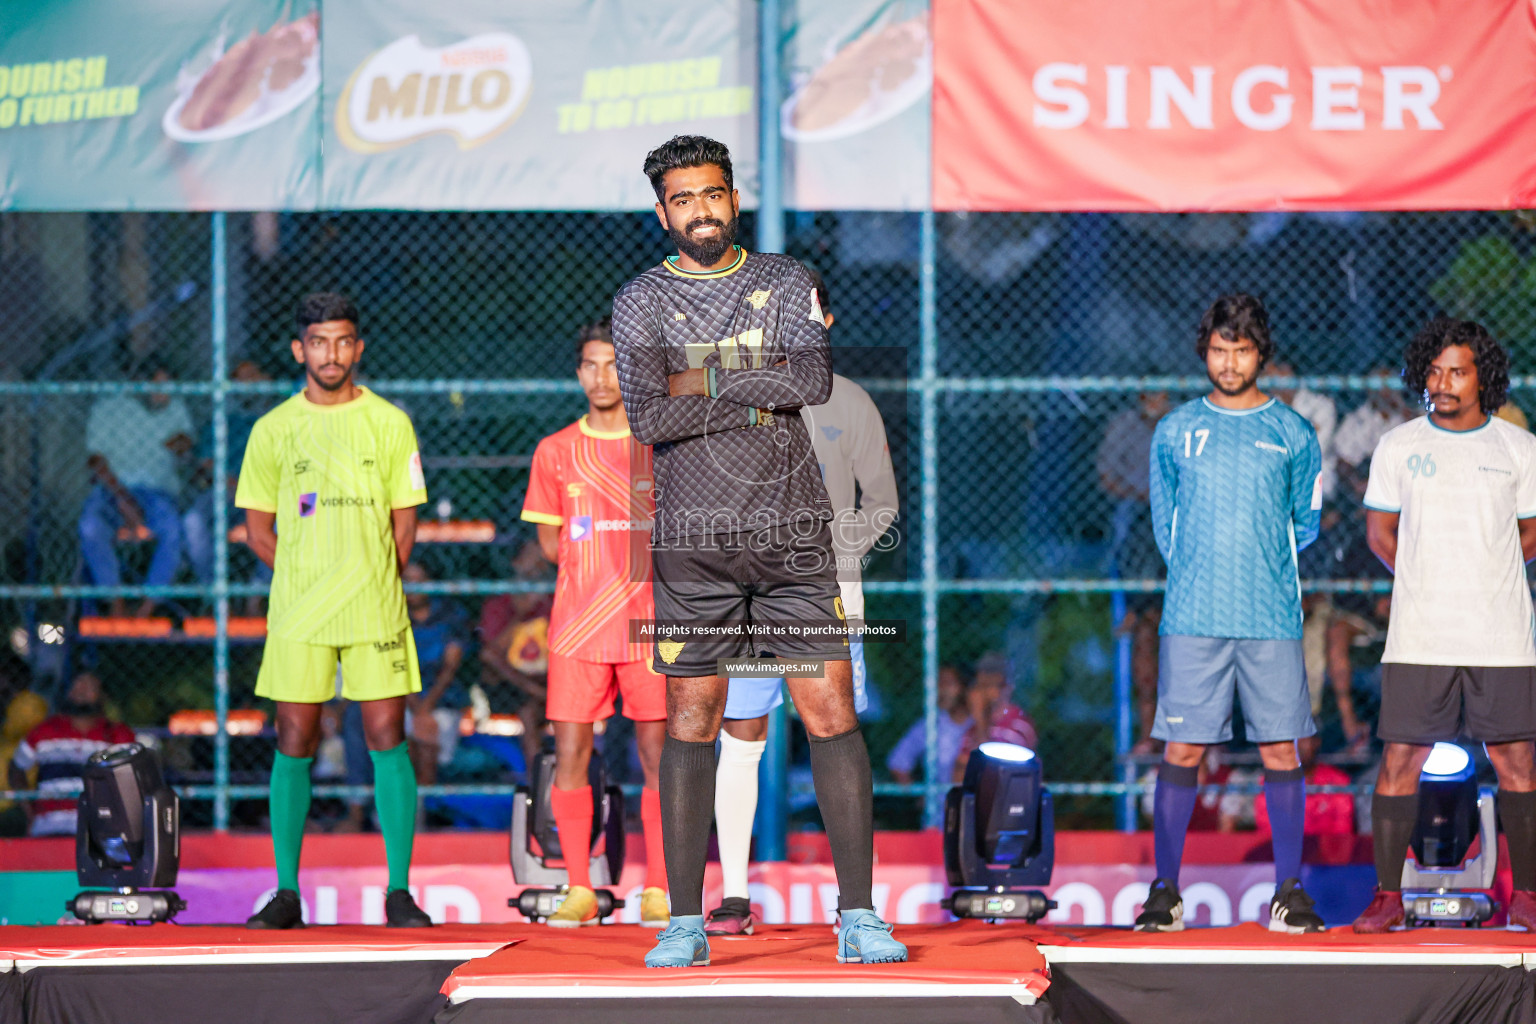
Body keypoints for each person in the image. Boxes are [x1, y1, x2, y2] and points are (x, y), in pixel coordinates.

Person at [612, 135, 904, 967]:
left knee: (830, 713)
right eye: (683, 199)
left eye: (712, 195)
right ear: (661, 210)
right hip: (694, 546)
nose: (700, 211)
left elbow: (806, 383)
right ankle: (686, 923)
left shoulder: (784, 280)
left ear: (733, 197)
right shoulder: (637, 303)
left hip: (794, 536)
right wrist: (749, 389)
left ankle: (859, 916)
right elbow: (646, 418)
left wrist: (694, 381)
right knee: (693, 718)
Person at [705, 267, 898, 937]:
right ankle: (733, 897)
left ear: (826, 323)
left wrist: (826, 550)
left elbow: (883, 505)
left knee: (833, 731)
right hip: (749, 602)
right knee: (742, 735)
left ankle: (857, 908)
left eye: (804, 315)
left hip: (827, 601)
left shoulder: (850, 403)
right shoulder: (732, 402)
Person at [238, 292, 432, 929]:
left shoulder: (389, 422)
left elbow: (405, 527)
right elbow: (258, 530)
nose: (331, 354)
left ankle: (399, 892)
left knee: (386, 738)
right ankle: (286, 892)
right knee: (294, 739)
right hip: (301, 613)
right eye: (318, 342)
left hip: (376, 608)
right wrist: (303, 580)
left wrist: (373, 581)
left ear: (359, 348)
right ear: (300, 349)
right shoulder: (272, 428)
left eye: (343, 341)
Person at [1138, 293, 1325, 935]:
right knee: (1182, 748)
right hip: (1193, 613)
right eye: (1219, 348)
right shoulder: (1175, 430)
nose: (1229, 361)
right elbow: (1167, 523)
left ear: (1261, 354)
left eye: (1241, 349)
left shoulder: (1293, 433)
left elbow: (1305, 525)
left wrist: (1262, 567)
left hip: (1271, 616)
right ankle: (1164, 892)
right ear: (1205, 351)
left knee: (1281, 749)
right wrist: (1203, 571)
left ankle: (1289, 893)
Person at [1353, 318, 1536, 933]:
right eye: (1433, 371)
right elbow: (1379, 532)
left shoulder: (1517, 448)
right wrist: (1429, 575)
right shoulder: (1399, 445)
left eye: (1457, 370)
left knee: (1516, 763)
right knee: (1401, 759)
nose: (1443, 382)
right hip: (1421, 634)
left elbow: (1532, 530)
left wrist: (1486, 566)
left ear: (1483, 375)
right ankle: (1386, 896)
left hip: (1501, 635)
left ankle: (1528, 897)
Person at [519, 317, 670, 929]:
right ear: (578, 372)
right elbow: (552, 544)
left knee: (660, 756)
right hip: (578, 628)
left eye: (614, 363)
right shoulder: (555, 450)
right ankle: (580, 887)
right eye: (591, 364)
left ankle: (660, 888)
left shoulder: (658, 444)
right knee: (572, 752)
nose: (603, 375)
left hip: (651, 624)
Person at [79, 366, 193, 617]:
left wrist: (182, 445)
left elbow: (186, 446)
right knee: (90, 526)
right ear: (139, 384)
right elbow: (96, 461)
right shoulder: (108, 408)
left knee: (174, 528)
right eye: (159, 387)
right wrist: (123, 499)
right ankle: (115, 601)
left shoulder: (174, 407)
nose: (166, 393)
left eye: (169, 387)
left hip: (156, 491)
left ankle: (146, 607)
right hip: (112, 489)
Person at [1097, 390, 1170, 753]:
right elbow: (1105, 475)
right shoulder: (1123, 426)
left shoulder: (1182, 426)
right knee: (1131, 525)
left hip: (1174, 507)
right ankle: (1135, 604)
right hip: (1135, 505)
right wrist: (1140, 494)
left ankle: (1150, 602)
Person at [9, 672, 134, 837]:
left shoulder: (118, 735)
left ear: (102, 696)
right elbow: (16, 769)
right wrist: (29, 810)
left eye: (89, 687)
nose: (81, 692)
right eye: (76, 686)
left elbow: (134, 780)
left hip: (101, 829)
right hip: (49, 826)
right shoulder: (44, 731)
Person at [477, 539, 554, 768]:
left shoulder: (555, 600)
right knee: (529, 712)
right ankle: (538, 785)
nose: (538, 566)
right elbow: (490, 654)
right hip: (509, 685)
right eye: (532, 558)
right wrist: (520, 614)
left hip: (550, 679)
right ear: (516, 563)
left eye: (542, 560)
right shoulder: (500, 604)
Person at [953, 652, 1039, 781]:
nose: (976, 692)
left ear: (1004, 686)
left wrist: (979, 715)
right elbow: (959, 776)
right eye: (978, 684)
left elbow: (993, 772)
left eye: (985, 685)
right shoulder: (973, 727)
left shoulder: (1018, 725)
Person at [886, 665, 972, 787]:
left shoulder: (979, 722)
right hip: (940, 804)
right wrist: (921, 795)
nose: (941, 690)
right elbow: (898, 762)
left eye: (948, 683)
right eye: (938, 683)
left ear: (964, 687)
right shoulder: (930, 724)